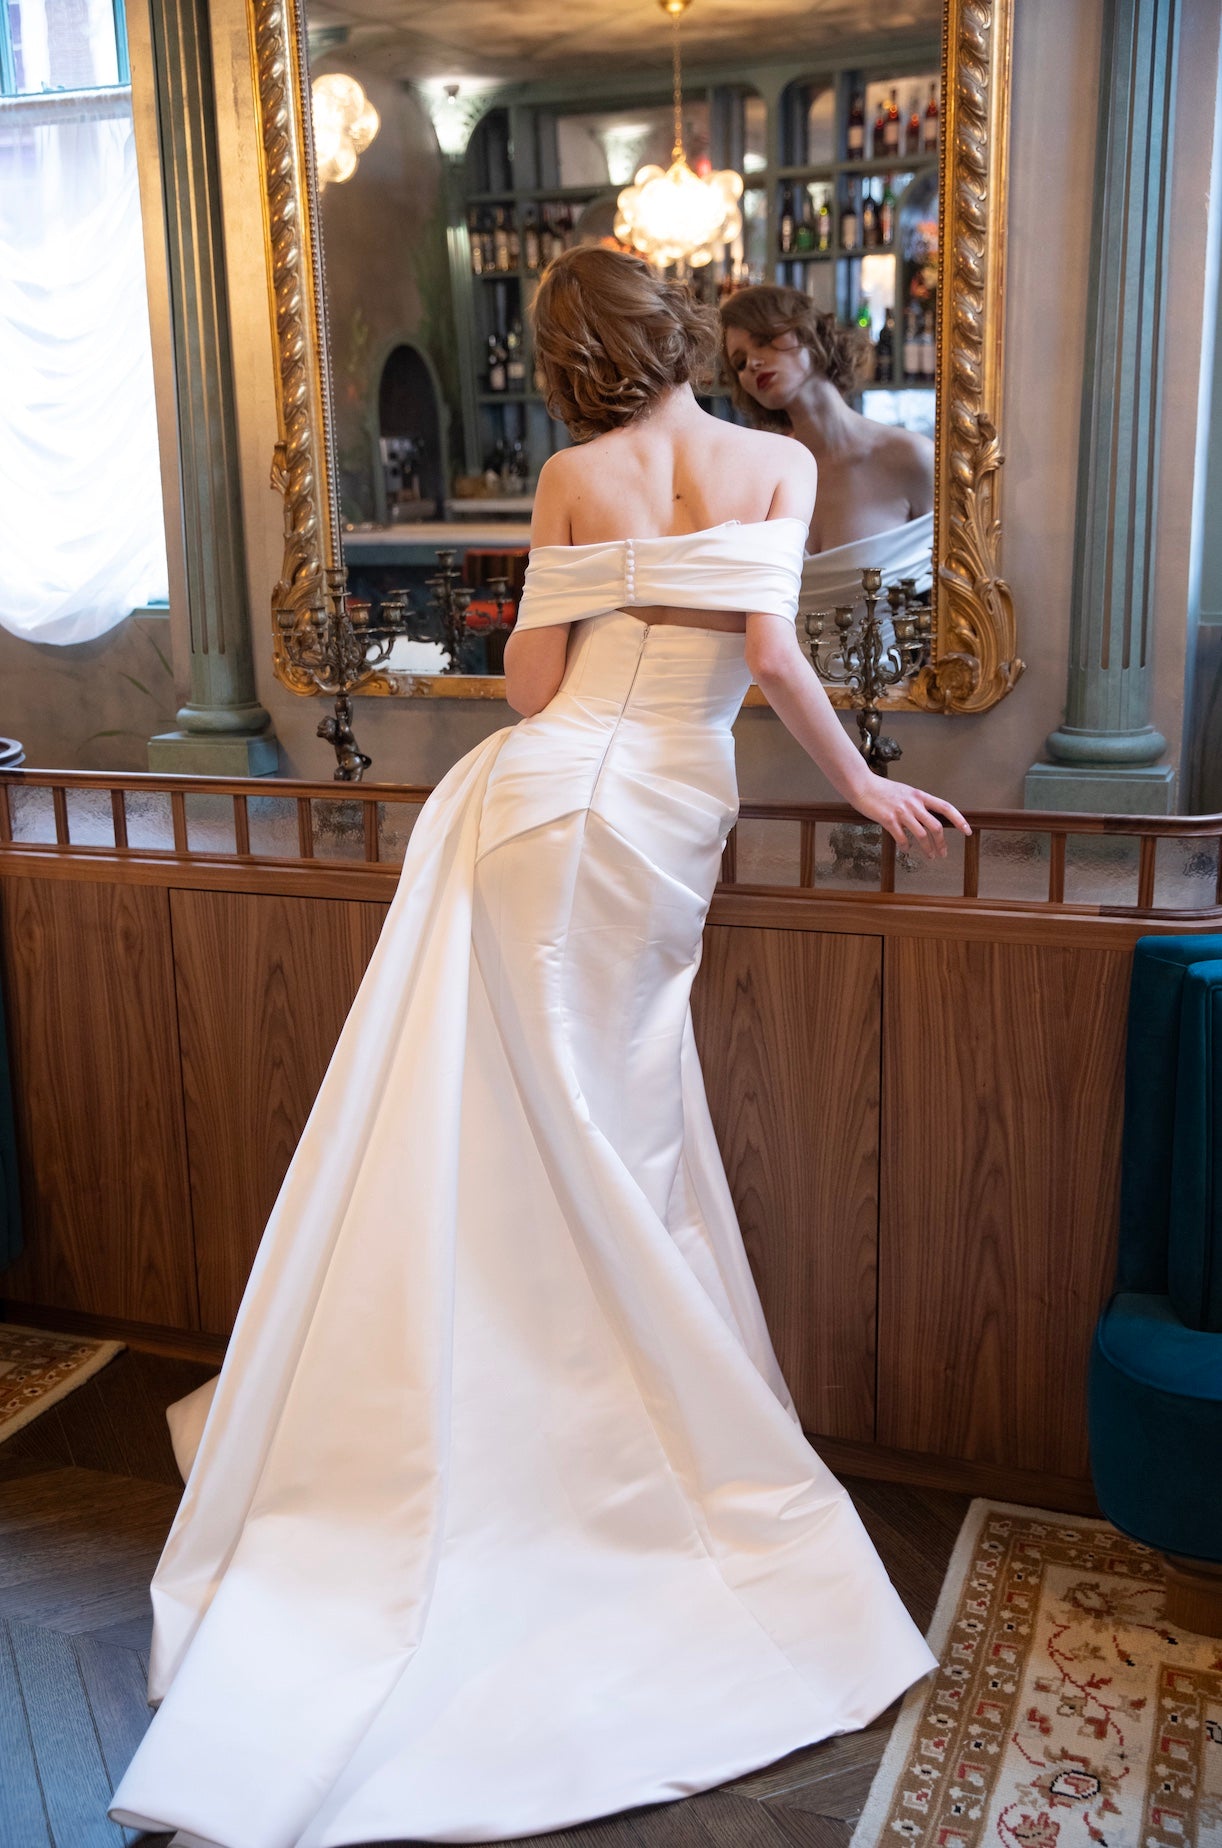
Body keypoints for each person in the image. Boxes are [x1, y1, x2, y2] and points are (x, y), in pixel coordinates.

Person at [108, 247, 966, 1848]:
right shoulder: (775, 465)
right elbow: (770, 659)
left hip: (541, 801)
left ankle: (531, 1418)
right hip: (662, 813)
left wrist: (573, 593)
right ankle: (584, 1436)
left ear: (567, 362)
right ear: (681, 336)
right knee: (599, 1128)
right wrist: (860, 785)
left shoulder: (573, 477)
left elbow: (528, 686)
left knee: (527, 1121)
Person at [720, 285, 935, 624]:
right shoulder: (763, 479)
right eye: (740, 362)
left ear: (810, 334)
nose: (753, 364)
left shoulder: (910, 457)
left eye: (763, 340)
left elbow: (953, 590)